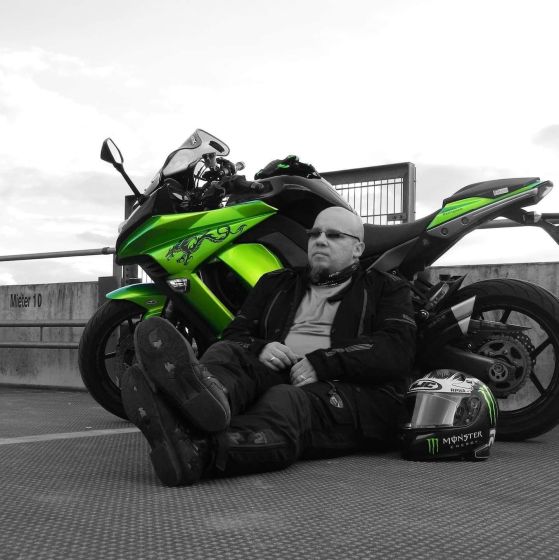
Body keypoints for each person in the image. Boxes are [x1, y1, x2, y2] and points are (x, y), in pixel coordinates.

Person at [121, 207, 417, 486]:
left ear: (358, 249)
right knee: (227, 352)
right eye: (314, 234)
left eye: (334, 235)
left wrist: (322, 362)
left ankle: (199, 449)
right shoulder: (276, 283)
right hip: (277, 370)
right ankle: (204, 401)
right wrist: (261, 348)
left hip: (346, 391)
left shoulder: (386, 288)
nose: (320, 240)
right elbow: (235, 334)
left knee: (286, 400)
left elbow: (397, 348)